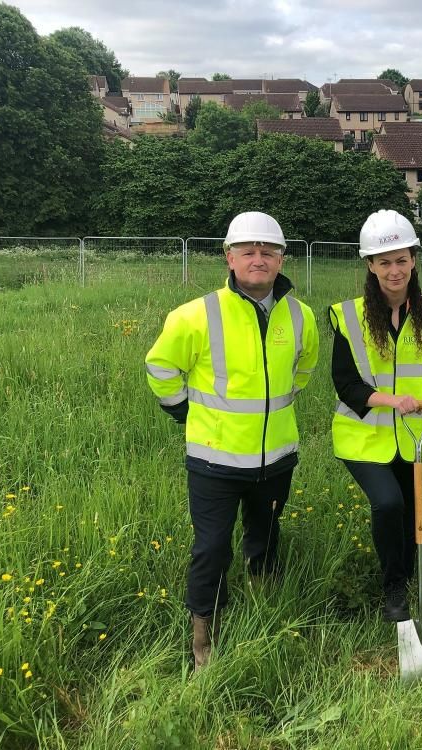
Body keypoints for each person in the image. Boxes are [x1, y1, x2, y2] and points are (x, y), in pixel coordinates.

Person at [145, 211, 319, 670]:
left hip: (277, 458)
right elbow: (161, 368)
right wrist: (186, 412)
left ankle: (262, 600)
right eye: (248, 251)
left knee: (265, 535)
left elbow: (304, 368)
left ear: (282, 260)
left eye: (268, 251)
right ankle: (204, 636)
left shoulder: (300, 316)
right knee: (212, 548)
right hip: (214, 462)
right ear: (229, 257)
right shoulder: (194, 315)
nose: (258, 259)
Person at [329, 209, 422, 622]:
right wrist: (391, 400)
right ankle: (393, 590)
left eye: (402, 259)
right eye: (384, 262)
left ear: (414, 259)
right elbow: (346, 384)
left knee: (409, 511)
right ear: (369, 265)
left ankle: (402, 577)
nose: (394, 269)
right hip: (364, 437)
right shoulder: (348, 316)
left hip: (418, 436)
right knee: (387, 504)